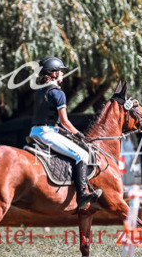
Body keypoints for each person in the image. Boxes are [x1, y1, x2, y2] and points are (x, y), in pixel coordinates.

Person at [28, 56, 102, 210]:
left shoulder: (39, 91)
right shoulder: (58, 93)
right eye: (60, 72)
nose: (62, 74)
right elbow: (64, 121)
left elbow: (48, 117)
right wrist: (78, 134)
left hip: (35, 132)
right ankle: (82, 195)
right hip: (47, 133)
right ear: (53, 73)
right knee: (81, 155)